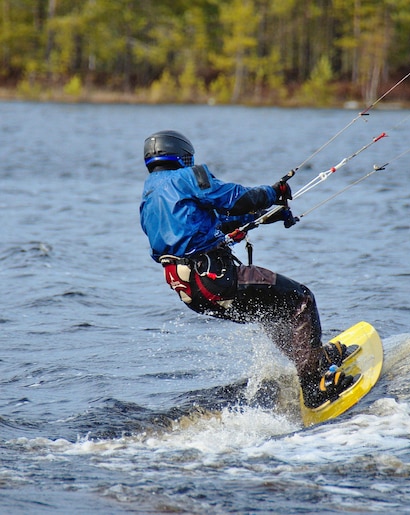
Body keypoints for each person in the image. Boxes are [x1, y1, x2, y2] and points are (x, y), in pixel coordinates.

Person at [140, 130, 355, 409]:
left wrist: (263, 216)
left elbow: (210, 222)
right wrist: (272, 193)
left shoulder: (150, 195)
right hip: (217, 280)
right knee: (301, 299)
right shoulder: (188, 176)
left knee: (272, 312)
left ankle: (313, 360)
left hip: (194, 295)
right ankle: (315, 383)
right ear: (183, 155)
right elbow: (235, 199)